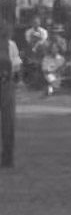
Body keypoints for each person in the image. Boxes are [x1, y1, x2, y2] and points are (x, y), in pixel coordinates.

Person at [0, 22, 21, 168]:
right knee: (8, 123)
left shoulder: (10, 45)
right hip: (7, 85)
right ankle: (8, 158)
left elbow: (16, 66)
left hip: (6, 85)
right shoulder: (10, 44)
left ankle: (8, 157)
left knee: (8, 123)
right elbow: (16, 66)